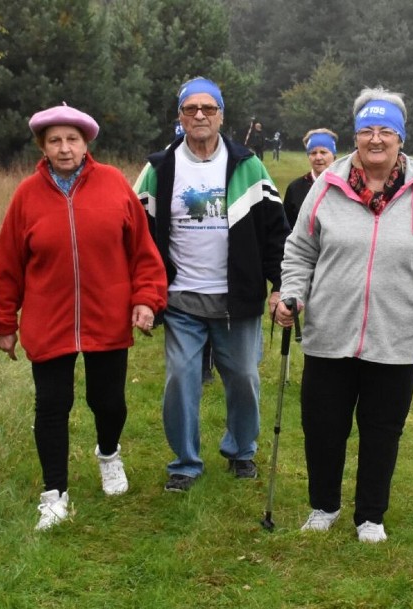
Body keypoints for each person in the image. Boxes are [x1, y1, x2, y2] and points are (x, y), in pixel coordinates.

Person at [274, 87, 413, 543]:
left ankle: (370, 517)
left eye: (386, 131)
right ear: (355, 136)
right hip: (330, 331)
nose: (375, 139)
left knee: (382, 431)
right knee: (323, 426)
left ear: (400, 138)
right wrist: (293, 295)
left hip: (394, 335)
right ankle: (323, 506)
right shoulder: (327, 185)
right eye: (366, 130)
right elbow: (300, 251)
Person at [0, 103, 168, 531]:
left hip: (107, 316)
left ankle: (108, 454)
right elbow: (8, 263)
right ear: (42, 147)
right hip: (49, 320)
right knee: (51, 406)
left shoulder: (114, 185)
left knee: (109, 402)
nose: (64, 149)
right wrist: (3, 322)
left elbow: (142, 250)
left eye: (72, 139)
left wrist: (146, 298)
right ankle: (55, 494)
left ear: (86, 143)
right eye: (55, 141)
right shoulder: (26, 196)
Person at [134, 77, 288, 492]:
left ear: (222, 115)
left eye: (208, 109)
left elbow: (275, 232)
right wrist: (142, 294)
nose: (199, 116)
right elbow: (134, 233)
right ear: (179, 116)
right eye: (190, 109)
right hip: (181, 296)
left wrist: (280, 285)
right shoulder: (159, 168)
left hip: (236, 300)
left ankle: (241, 451)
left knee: (242, 377)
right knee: (182, 378)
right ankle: (184, 463)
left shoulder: (248, 165)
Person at [282, 129, 338, 229]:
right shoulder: (295, 188)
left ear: (334, 156)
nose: (318, 157)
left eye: (323, 152)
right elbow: (286, 227)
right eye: (313, 153)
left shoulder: (346, 186)